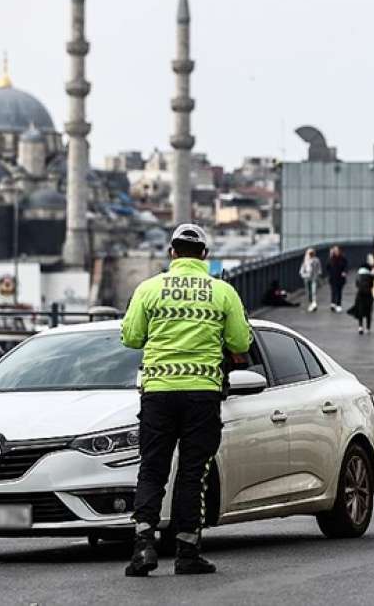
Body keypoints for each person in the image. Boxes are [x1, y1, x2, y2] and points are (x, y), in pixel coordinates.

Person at [120, 223, 252, 577]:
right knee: (194, 473)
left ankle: (143, 546)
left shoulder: (149, 289)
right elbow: (241, 343)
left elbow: (131, 338)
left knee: (152, 469)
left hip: (158, 393)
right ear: (205, 256)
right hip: (202, 393)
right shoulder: (222, 292)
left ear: (172, 253)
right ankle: (187, 550)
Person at [348, 263, 374, 334]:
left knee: (360, 310)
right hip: (368, 294)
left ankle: (360, 327)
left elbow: (357, 284)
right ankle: (368, 328)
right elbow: (372, 285)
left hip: (360, 294)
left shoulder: (358, 275)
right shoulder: (370, 276)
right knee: (369, 311)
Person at [326, 246, 349, 312]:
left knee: (339, 292)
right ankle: (333, 304)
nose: (336, 252)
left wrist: (344, 272)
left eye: (337, 251)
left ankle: (338, 304)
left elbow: (346, 266)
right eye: (335, 251)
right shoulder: (331, 258)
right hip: (333, 277)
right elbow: (327, 267)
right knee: (333, 291)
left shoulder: (343, 258)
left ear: (339, 251)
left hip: (340, 278)